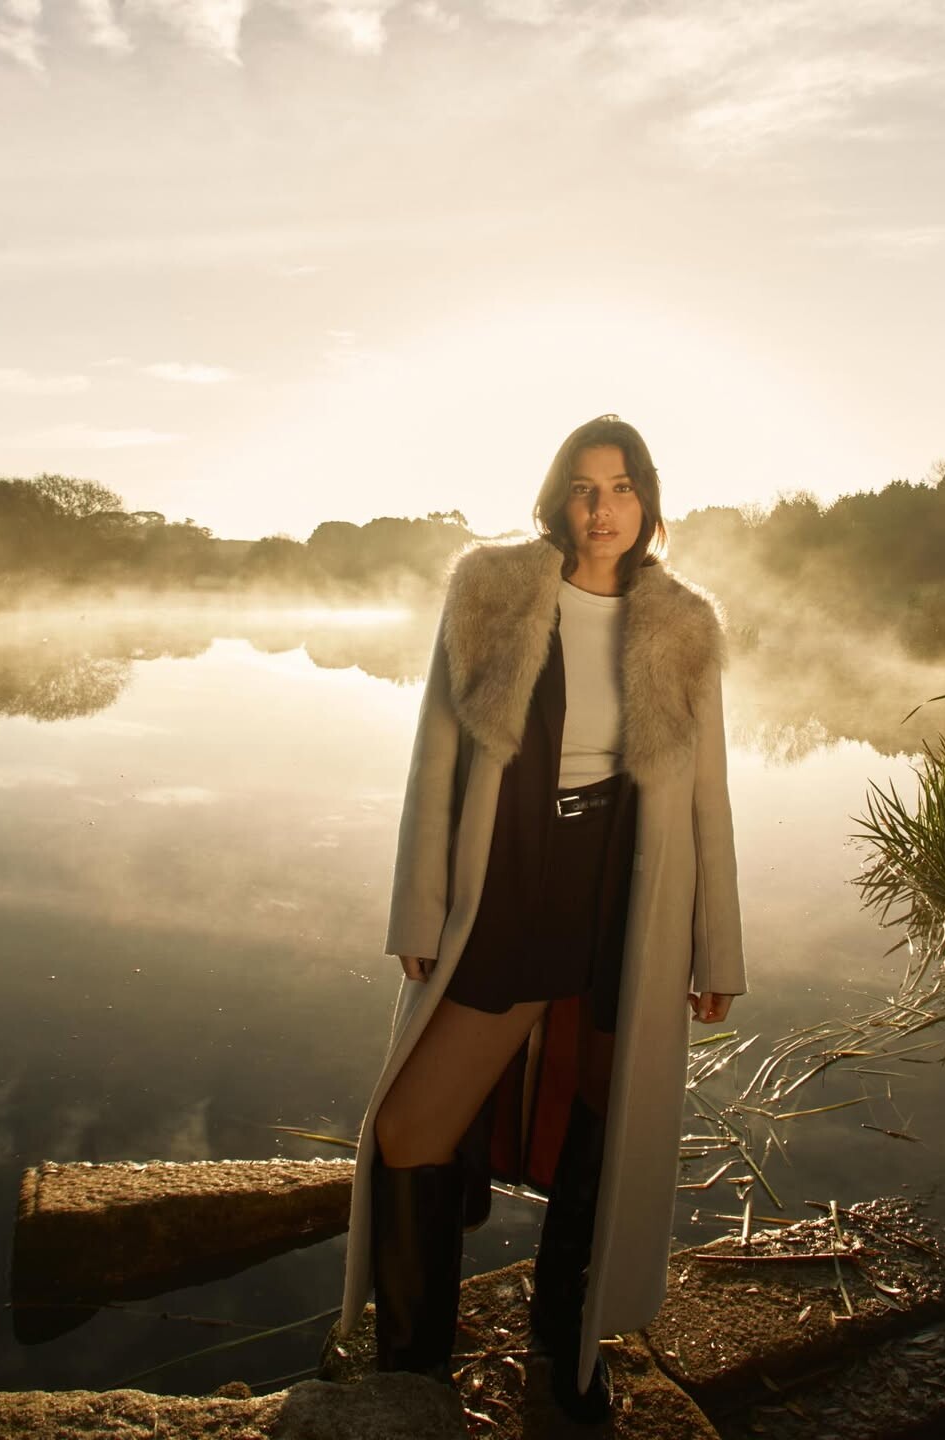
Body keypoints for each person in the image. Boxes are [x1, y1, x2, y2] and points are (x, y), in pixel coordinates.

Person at [339, 413, 746, 1423]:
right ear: (558, 497)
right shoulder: (493, 590)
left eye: (622, 488)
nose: (603, 509)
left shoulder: (684, 622)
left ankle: (563, 1355)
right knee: (409, 1125)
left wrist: (717, 949)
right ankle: (413, 1375)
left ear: (647, 501)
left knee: (602, 1127)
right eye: (584, 487)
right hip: (515, 877)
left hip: (627, 888)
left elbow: (708, 798)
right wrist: (418, 909)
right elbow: (436, 756)